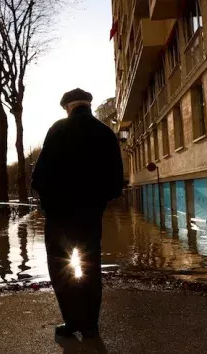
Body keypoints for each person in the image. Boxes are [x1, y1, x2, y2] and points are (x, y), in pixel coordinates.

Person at [31, 88, 123, 339]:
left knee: (61, 267)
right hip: (90, 215)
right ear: (88, 105)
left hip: (59, 216)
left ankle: (71, 321)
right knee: (91, 266)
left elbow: (39, 177)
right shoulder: (106, 133)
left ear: (67, 107)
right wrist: (98, 201)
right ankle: (90, 324)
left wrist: (48, 203)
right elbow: (116, 183)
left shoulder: (58, 130)